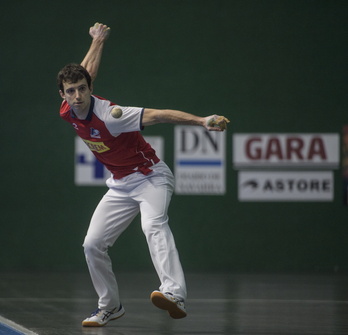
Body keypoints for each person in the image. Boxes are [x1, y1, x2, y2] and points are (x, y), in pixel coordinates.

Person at [57, 22, 229, 327]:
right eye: (71, 91)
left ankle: (174, 293)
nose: (78, 94)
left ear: (90, 89)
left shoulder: (112, 116)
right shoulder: (68, 110)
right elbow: (86, 71)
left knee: (153, 225)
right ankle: (109, 306)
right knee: (92, 244)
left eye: (82, 89)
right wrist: (97, 41)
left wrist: (202, 121)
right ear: (64, 95)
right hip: (121, 184)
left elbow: (160, 115)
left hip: (151, 177)